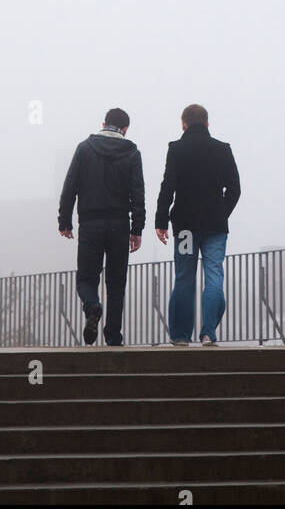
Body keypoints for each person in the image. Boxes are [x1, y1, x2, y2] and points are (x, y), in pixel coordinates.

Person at [57, 107, 145, 346]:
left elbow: (70, 187)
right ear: (125, 129)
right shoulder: (132, 153)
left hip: (90, 224)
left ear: (103, 122)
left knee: (87, 278)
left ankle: (92, 306)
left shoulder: (84, 149)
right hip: (119, 225)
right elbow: (138, 194)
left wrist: (64, 220)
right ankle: (114, 337)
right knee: (116, 283)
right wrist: (137, 229)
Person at [155, 104, 240, 345]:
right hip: (215, 227)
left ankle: (181, 336)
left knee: (184, 277)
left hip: (185, 227)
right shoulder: (222, 150)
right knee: (214, 276)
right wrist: (221, 213)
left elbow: (167, 187)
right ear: (207, 123)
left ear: (183, 124)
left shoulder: (176, 149)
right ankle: (208, 333)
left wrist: (161, 220)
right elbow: (235, 189)